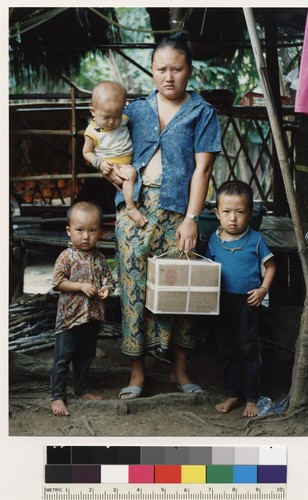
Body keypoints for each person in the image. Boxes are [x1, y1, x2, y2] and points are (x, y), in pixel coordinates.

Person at [98, 32, 221, 399]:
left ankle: (179, 370)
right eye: (161, 69)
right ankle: (137, 373)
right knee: (133, 287)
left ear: (189, 70)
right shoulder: (133, 109)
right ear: (151, 70)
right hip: (134, 212)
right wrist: (106, 167)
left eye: (177, 69)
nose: (169, 76)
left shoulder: (202, 112)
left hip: (179, 213)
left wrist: (192, 219)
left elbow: (203, 172)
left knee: (179, 288)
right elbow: (108, 145)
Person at [205, 180, 276, 417]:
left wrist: (263, 290)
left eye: (239, 212)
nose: (232, 218)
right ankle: (233, 394)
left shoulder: (256, 239)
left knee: (248, 349)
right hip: (222, 302)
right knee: (226, 349)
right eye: (226, 212)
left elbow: (271, 266)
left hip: (247, 303)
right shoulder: (214, 240)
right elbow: (207, 268)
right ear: (217, 213)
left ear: (250, 212)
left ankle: (252, 397)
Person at [51, 201, 114, 416]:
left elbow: (108, 281)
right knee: (63, 358)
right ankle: (57, 396)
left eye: (92, 230)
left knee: (86, 355)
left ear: (100, 231)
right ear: (69, 231)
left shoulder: (100, 258)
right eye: (79, 230)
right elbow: (57, 282)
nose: (86, 236)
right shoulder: (66, 257)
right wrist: (80, 286)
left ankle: (82, 388)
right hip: (69, 319)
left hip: (92, 318)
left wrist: (106, 289)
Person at [83, 81, 148, 227]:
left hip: (125, 163)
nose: (112, 122)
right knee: (130, 174)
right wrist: (99, 163)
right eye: (106, 117)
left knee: (132, 175)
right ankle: (131, 208)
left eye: (117, 116)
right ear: (93, 111)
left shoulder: (124, 121)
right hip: (109, 166)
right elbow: (86, 152)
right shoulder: (92, 131)